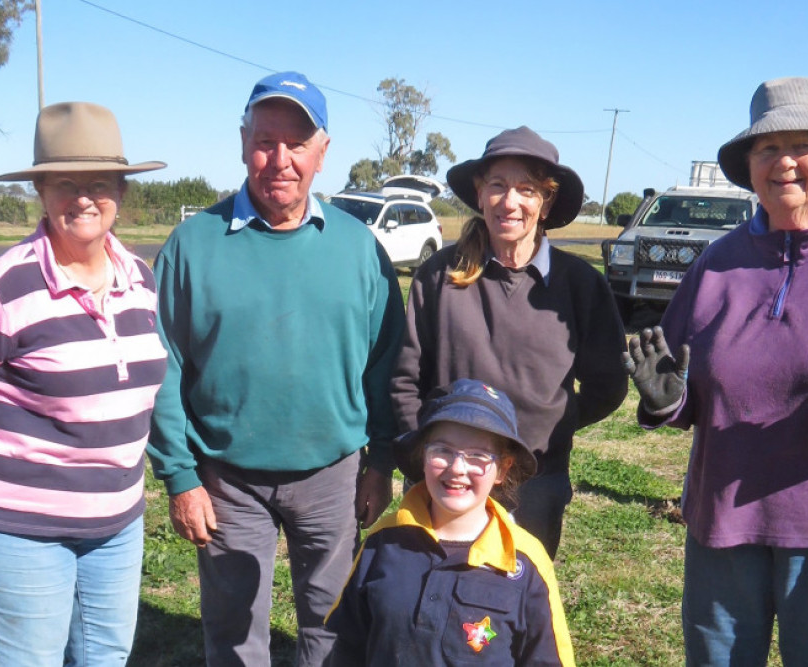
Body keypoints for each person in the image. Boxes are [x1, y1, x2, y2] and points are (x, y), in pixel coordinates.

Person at [623, 77, 808, 666]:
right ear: (749, 163)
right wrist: (665, 402)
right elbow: (682, 384)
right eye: (767, 149)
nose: (784, 163)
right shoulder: (719, 261)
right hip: (722, 523)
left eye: (803, 145)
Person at [147, 71, 405, 666]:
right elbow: (162, 366)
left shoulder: (358, 248)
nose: (280, 160)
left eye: (297, 144)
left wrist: (381, 461)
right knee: (235, 631)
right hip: (226, 480)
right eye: (265, 141)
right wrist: (181, 478)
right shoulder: (192, 246)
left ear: (322, 152)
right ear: (243, 143)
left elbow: (387, 363)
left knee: (334, 624)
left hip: (333, 476)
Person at [0, 101, 168, 665]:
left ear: (122, 192)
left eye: (99, 182)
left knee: (105, 658)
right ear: (41, 192)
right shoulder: (2, 286)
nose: (83, 197)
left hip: (117, 521)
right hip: (16, 525)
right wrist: (5, 453)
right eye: (64, 183)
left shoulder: (141, 279)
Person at [391, 126, 628, 557]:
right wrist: (423, 456)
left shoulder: (580, 286)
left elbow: (608, 386)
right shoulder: (438, 277)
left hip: (535, 482)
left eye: (527, 189)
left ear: (547, 200)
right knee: (434, 596)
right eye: (497, 186)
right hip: (447, 479)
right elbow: (405, 379)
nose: (510, 201)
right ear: (479, 194)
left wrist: (549, 427)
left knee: (517, 607)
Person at [325, 379, 576, 666]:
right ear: (422, 456)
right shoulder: (383, 540)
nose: (457, 468)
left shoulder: (526, 561)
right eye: (442, 450)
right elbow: (349, 646)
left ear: (502, 469)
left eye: (478, 456)